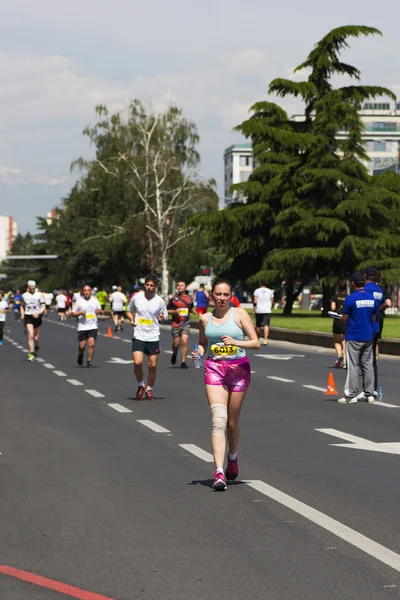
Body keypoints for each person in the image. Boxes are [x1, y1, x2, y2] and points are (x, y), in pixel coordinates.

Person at [191, 279, 260, 491]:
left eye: (225, 295)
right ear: (212, 296)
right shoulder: (204, 319)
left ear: (231, 296)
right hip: (214, 369)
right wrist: (199, 353)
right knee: (218, 419)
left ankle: (233, 456)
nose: (221, 298)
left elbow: (255, 342)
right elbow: (204, 344)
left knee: (232, 422)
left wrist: (236, 342)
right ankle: (219, 472)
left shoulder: (239, 315)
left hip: (238, 370)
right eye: (218, 294)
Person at [126, 275, 168, 401]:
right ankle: (140, 385)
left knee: (152, 365)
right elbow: (128, 310)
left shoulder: (159, 301)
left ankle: (149, 388)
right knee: (138, 362)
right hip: (139, 335)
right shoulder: (137, 298)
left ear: (155, 287)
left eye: (152, 286)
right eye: (147, 285)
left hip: (153, 336)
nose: (149, 288)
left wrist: (162, 318)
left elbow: (164, 316)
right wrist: (131, 319)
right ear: (144, 285)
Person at [337, 272, 377, 404]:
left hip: (354, 335)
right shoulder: (371, 298)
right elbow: (373, 317)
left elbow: (345, 318)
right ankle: (369, 393)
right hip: (368, 336)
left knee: (352, 365)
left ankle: (351, 394)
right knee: (367, 365)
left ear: (353, 283)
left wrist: (341, 319)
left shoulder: (351, 299)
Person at [363, 266, 388, 393]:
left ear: (365, 276)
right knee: (372, 359)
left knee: (362, 359)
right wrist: (377, 311)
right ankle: (373, 387)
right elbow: (385, 303)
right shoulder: (379, 290)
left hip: (365, 326)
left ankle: (364, 388)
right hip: (376, 326)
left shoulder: (366, 289)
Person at [71, 285, 103, 367]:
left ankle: (89, 361)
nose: (87, 292)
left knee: (91, 344)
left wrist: (99, 311)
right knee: (82, 345)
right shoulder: (79, 301)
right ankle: (81, 355)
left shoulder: (95, 301)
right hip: (82, 326)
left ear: (91, 291)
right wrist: (80, 313)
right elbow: (73, 313)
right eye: (85, 290)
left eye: (88, 290)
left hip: (93, 326)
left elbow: (100, 311)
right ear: (82, 291)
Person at [167, 281, 194, 369]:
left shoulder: (189, 299)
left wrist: (193, 311)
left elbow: (191, 308)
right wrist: (174, 312)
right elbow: (166, 310)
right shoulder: (173, 299)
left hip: (186, 323)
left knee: (184, 341)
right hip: (176, 324)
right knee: (176, 344)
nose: (180, 287)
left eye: (182, 285)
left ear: (185, 287)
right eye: (178, 285)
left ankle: (183, 361)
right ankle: (174, 353)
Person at [21, 280, 46, 361]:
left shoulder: (39, 295)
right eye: (31, 288)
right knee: (31, 335)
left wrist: (38, 313)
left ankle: (37, 346)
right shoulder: (24, 295)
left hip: (37, 317)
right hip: (28, 316)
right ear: (28, 287)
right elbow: (22, 306)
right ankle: (31, 353)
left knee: (36, 338)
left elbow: (43, 306)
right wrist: (22, 314)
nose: (32, 289)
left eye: (33, 288)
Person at [330, 280, 348, 369]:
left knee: (337, 341)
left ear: (338, 288)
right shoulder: (349, 297)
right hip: (346, 320)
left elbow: (333, 308)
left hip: (337, 320)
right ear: (346, 288)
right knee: (344, 341)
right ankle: (345, 362)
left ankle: (339, 355)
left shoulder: (335, 297)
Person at [375, 270, 392, 360]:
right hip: (379, 317)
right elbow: (389, 303)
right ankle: (376, 359)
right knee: (375, 340)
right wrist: (381, 307)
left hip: (369, 316)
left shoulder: (368, 289)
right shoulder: (382, 289)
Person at [253, 280, 274, 345]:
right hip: (267, 310)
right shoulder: (270, 291)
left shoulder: (257, 291)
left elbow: (255, 301)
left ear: (260, 283)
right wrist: (271, 306)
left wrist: (254, 310)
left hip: (259, 310)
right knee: (266, 325)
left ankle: (258, 339)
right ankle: (265, 339)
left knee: (258, 325)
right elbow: (272, 300)